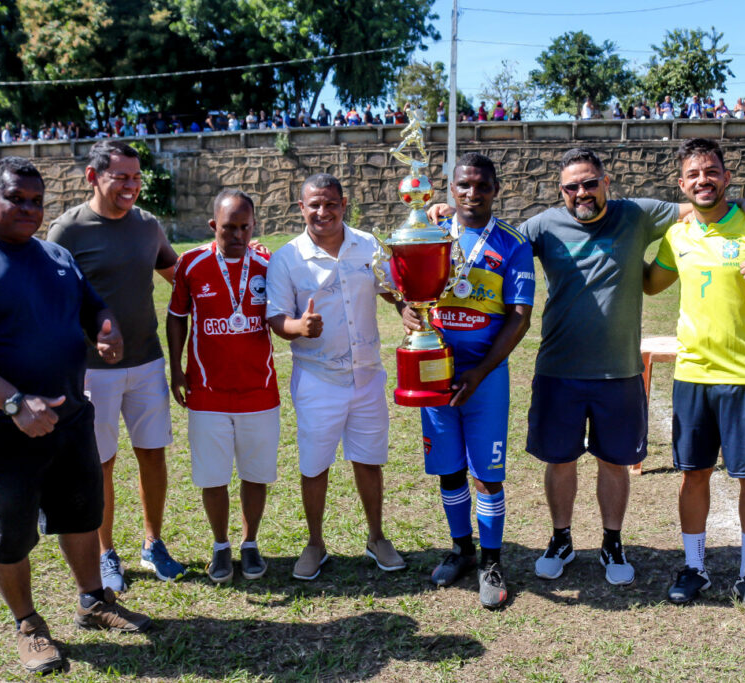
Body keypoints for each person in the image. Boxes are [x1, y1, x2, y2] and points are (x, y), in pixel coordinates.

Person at [427, 148, 745, 588]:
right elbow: (495, 235)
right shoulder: (543, 226)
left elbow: (699, 203)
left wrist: (742, 202)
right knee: (560, 461)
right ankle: (561, 539)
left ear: (606, 182)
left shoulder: (637, 214)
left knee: (614, 462)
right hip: (559, 367)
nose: (582, 193)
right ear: (560, 191)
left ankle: (612, 541)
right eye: (572, 187)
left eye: (590, 183)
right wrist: (448, 212)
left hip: (620, 371)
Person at [0, 157, 150, 675]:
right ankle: (27, 624)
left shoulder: (55, 256)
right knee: (7, 534)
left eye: (36, 201)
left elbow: (94, 307)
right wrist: (13, 402)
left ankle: (93, 601)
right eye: (16, 199)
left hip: (69, 418)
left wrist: (108, 330)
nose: (29, 209)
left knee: (81, 513)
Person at [644, 138, 745, 614]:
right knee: (693, 475)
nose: (703, 180)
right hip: (693, 374)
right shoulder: (677, 235)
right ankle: (694, 567)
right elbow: (650, 284)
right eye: (694, 174)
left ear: (727, 177)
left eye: (711, 171)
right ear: (681, 184)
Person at [47, 140, 182, 593]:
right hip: (92, 371)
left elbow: (180, 275)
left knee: (153, 454)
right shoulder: (68, 231)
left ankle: (153, 543)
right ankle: (106, 553)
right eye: (121, 176)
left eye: (136, 177)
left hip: (147, 362)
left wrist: (236, 256)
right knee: (100, 464)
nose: (131, 186)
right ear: (93, 176)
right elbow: (50, 301)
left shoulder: (147, 225)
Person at [401, 153, 534, 609]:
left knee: (487, 476)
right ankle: (462, 549)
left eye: (481, 185)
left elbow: (520, 316)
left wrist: (480, 371)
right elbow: (404, 287)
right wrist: (406, 309)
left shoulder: (513, 243)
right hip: (435, 370)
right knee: (449, 469)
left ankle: (491, 562)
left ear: (495, 189)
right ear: (451, 189)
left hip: (485, 377)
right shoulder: (431, 234)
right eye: (463, 185)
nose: (472, 193)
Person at [266, 173, 405, 580]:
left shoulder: (368, 246)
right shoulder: (287, 258)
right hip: (317, 378)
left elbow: (392, 289)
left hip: (367, 376)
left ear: (344, 205)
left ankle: (377, 537)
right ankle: (315, 543)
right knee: (314, 466)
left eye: (331, 204)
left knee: (369, 460)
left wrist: (406, 310)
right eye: (314, 204)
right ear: (301, 208)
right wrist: (299, 327)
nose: (322, 212)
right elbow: (276, 317)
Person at [166, 190, 279, 584]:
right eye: (229, 227)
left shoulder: (268, 264)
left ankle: (250, 543)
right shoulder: (191, 263)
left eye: (245, 227)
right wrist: (176, 368)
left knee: (255, 474)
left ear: (254, 225)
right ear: (213, 225)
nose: (238, 235)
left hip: (259, 390)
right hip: (207, 393)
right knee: (213, 477)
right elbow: (176, 316)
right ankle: (219, 545)